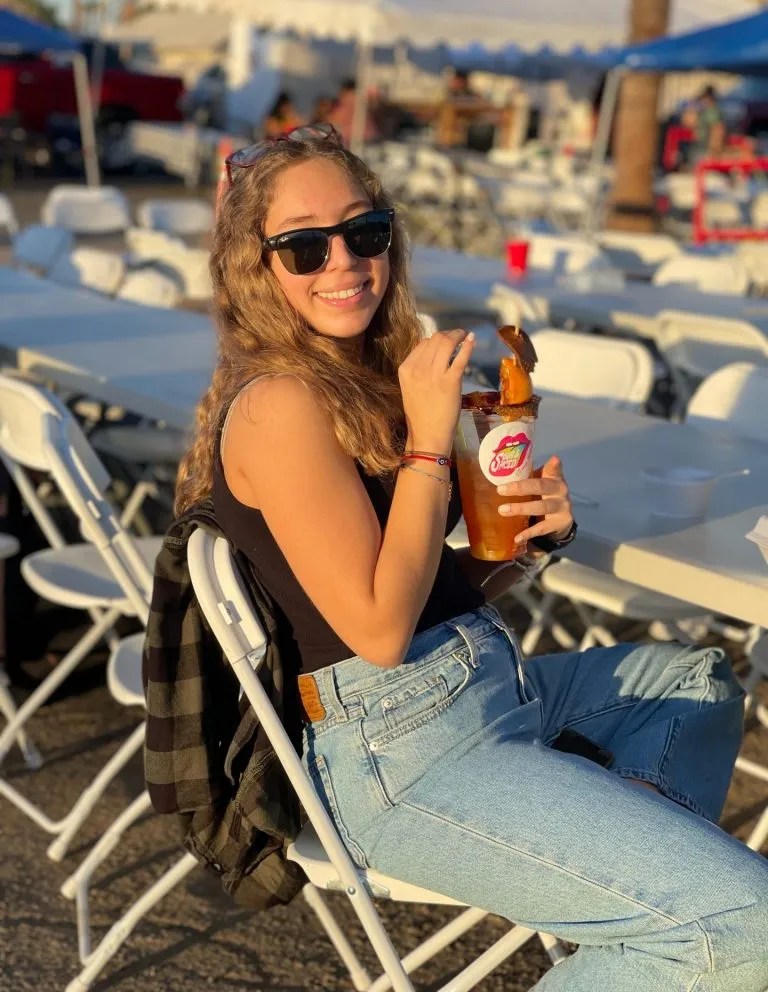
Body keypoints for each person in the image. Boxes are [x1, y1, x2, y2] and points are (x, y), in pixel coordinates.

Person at [175, 123, 768, 991]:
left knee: (698, 680)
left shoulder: (360, 377)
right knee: (750, 927)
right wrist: (427, 439)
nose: (344, 261)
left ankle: (637, 908)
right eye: (305, 246)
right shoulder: (280, 406)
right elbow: (380, 631)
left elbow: (421, 588)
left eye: (365, 231)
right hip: (396, 750)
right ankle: (668, 927)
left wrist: (526, 551)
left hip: (480, 685)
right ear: (256, 267)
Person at [327, 78, 380, 146]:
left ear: (345, 90)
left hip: (352, 139)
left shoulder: (345, 102)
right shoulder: (363, 98)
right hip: (371, 135)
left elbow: (336, 119)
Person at [683, 84, 727, 162]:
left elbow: (717, 130)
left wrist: (714, 151)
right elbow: (687, 123)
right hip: (699, 148)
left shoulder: (712, 112)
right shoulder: (703, 110)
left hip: (706, 151)